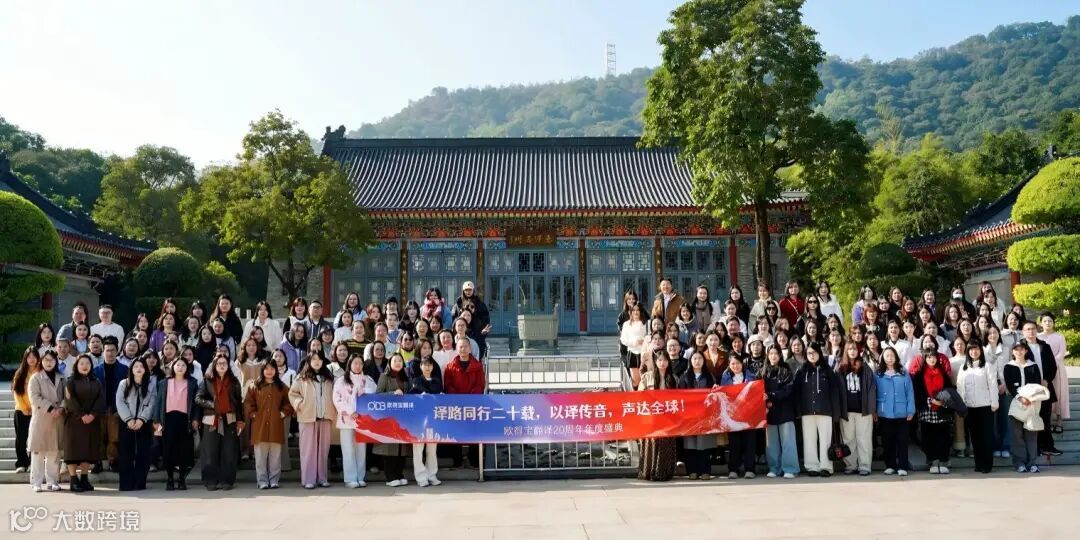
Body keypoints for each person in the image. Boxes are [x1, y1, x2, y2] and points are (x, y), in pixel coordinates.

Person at [196, 352, 244, 491]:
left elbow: (239, 403)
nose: (222, 366)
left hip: (229, 418)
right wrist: (213, 404)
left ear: (228, 366)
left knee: (228, 451)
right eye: (219, 363)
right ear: (214, 365)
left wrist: (240, 420)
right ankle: (210, 480)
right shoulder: (207, 381)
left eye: (224, 363)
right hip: (211, 419)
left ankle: (227, 480)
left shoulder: (234, 382)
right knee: (210, 451)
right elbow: (198, 398)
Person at [793, 343, 843, 477]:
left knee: (825, 440)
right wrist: (798, 410)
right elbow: (796, 392)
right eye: (809, 353)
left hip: (825, 410)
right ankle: (812, 467)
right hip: (807, 411)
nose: (812, 355)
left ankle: (826, 467)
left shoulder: (827, 370)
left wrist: (836, 413)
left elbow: (834, 392)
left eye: (814, 352)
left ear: (819, 354)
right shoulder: (801, 371)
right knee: (809, 439)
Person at [244, 361, 295, 489]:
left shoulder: (282, 387)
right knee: (260, 457)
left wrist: (282, 414)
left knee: (275, 456)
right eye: (266, 368)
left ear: (276, 370)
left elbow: (289, 403)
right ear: (262, 370)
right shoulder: (254, 386)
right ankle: (262, 481)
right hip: (259, 427)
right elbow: (248, 403)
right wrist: (254, 415)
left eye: (272, 368)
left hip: (276, 426)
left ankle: (274, 480)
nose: (269, 371)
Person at [289, 352, 335, 489]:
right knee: (308, 450)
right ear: (309, 361)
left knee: (323, 450)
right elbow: (292, 393)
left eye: (319, 359)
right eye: (314, 359)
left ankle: (322, 478)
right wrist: (300, 404)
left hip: (325, 417)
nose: (317, 361)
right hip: (307, 417)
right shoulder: (301, 378)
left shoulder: (329, 378)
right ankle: (308, 479)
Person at [153, 356, 198, 491]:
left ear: (187, 368)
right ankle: (170, 478)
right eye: (178, 365)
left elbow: (195, 404)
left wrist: (195, 419)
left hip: (185, 419)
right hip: (168, 419)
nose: (180, 367)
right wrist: (156, 420)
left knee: (184, 450)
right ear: (173, 366)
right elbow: (158, 402)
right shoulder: (164, 382)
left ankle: (182, 479)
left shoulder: (192, 383)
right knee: (168, 450)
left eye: (183, 365)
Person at [334, 354, 377, 488]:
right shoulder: (341, 380)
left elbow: (374, 397)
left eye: (360, 363)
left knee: (361, 449)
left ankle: (360, 477)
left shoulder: (368, 380)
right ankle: (350, 478)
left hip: (362, 421)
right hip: (346, 420)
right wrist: (350, 411)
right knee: (348, 449)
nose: (358, 366)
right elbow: (337, 398)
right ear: (350, 364)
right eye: (355, 363)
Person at [63, 354, 105, 492]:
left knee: (88, 450)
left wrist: (92, 414)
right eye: (81, 363)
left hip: (91, 421)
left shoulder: (96, 381)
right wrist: (81, 415)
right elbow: (70, 400)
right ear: (76, 365)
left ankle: (84, 479)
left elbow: (100, 398)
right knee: (73, 451)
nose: (85, 366)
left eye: (87, 363)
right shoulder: (71, 381)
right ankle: (73, 480)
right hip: (74, 421)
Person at [956, 342, 998, 473]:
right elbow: (960, 387)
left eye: (976, 349)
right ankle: (978, 464)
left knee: (986, 436)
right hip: (970, 407)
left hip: (985, 406)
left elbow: (993, 385)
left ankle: (987, 464)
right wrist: (961, 405)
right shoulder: (964, 368)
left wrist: (994, 402)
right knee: (975, 437)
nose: (974, 352)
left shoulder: (987, 366)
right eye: (971, 349)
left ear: (980, 351)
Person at [115, 357, 156, 491]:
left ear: (146, 369)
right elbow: (120, 402)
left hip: (143, 423)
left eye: (141, 366)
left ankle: (140, 482)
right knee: (126, 453)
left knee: (143, 452)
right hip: (126, 422)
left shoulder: (150, 385)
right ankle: (126, 483)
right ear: (131, 369)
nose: (139, 369)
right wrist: (128, 419)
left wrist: (142, 419)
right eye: (136, 366)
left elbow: (152, 403)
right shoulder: (123, 384)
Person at [443, 337, 485, 468]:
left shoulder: (477, 366)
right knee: (456, 433)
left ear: (470, 348)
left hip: (473, 405)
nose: (463, 349)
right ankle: (457, 460)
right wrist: (457, 398)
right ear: (456, 349)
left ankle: (474, 460)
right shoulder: (450, 366)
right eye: (460, 347)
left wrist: (470, 398)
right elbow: (448, 385)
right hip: (456, 405)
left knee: (473, 433)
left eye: (465, 346)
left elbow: (480, 384)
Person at [1021, 320, 1061, 455]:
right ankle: (1034, 448)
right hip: (1029, 390)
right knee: (1031, 419)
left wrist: (1047, 380)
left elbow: (1052, 366)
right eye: (1027, 329)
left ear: (1036, 330)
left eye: (1033, 328)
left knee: (1045, 418)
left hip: (1045, 387)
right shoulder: (1020, 347)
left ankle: (1048, 446)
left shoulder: (1044, 346)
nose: (1031, 331)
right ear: (1023, 332)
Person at [1002, 342, 1043, 472]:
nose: (1019, 352)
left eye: (1021, 349)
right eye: (1016, 349)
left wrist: (1030, 398)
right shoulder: (1008, 366)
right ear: (1012, 352)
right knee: (1016, 434)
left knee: (1031, 433)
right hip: (1015, 402)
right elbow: (1009, 385)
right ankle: (1019, 462)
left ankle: (1032, 463)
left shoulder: (1033, 366)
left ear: (1026, 351)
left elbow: (1037, 384)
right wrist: (1020, 397)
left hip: (1032, 402)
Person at [28, 351, 65, 492]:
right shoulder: (35, 378)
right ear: (41, 361)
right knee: (38, 452)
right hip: (41, 419)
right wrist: (50, 408)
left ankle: (52, 481)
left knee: (54, 453)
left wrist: (61, 408)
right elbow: (34, 397)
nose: (49, 362)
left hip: (57, 418)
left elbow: (67, 397)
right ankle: (36, 482)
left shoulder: (62, 378)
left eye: (52, 360)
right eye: (46, 360)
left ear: (56, 361)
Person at [837, 345, 877, 476]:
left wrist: (872, 409)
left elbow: (871, 389)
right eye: (849, 349)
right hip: (846, 411)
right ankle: (851, 465)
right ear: (846, 351)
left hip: (863, 411)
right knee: (848, 439)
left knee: (864, 439)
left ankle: (865, 465)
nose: (852, 351)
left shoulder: (865, 368)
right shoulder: (841, 368)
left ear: (859, 351)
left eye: (854, 349)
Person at [912, 350, 954, 474]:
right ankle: (933, 461)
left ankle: (943, 461)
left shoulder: (943, 373)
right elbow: (917, 393)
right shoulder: (919, 375)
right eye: (929, 357)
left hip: (942, 409)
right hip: (927, 408)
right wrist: (931, 401)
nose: (932, 359)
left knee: (943, 436)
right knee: (928, 436)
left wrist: (942, 402)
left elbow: (949, 390)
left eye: (934, 357)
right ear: (925, 359)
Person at [637, 353, 677, 481]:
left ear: (669, 362)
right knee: (651, 442)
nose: (662, 363)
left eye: (665, 360)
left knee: (665, 443)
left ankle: (663, 472)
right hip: (651, 415)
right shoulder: (647, 376)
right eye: (659, 360)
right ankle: (649, 471)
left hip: (668, 416)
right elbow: (639, 394)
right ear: (655, 362)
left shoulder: (673, 378)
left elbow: (679, 397)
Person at [677, 351, 717, 480]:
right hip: (689, 416)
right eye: (694, 358)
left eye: (700, 358)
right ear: (690, 361)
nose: (697, 361)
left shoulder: (709, 377)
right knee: (690, 445)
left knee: (704, 445)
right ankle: (692, 471)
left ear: (704, 361)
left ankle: (705, 471)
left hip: (705, 416)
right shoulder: (685, 377)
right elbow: (679, 396)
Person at [875, 347, 914, 476]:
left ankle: (902, 465)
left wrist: (910, 410)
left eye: (892, 355)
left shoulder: (903, 372)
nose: (890, 358)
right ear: (882, 358)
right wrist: (874, 411)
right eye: (887, 356)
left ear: (896, 357)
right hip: (884, 412)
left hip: (901, 412)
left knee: (902, 441)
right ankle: (890, 465)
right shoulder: (878, 374)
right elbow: (874, 393)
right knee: (888, 440)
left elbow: (909, 392)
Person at [761, 345, 798, 478]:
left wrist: (770, 396)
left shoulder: (786, 370)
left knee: (788, 442)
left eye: (776, 353)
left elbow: (788, 390)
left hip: (785, 410)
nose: (773, 356)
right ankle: (774, 468)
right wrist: (766, 402)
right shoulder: (763, 371)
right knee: (771, 443)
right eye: (771, 353)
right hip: (769, 412)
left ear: (780, 355)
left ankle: (790, 469)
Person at [375, 354, 412, 487]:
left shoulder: (406, 378)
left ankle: (399, 474)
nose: (397, 363)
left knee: (402, 448)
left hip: (404, 417)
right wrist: (392, 394)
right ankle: (390, 477)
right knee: (390, 448)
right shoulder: (384, 377)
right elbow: (378, 395)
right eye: (395, 360)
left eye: (400, 360)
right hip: (389, 418)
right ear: (389, 363)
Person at [92, 337, 127, 472]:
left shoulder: (124, 369)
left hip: (116, 408)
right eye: (107, 350)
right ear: (103, 351)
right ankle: (98, 462)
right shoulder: (96, 370)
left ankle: (113, 461)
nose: (110, 353)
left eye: (113, 350)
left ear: (117, 352)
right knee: (99, 436)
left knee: (114, 437)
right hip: (100, 407)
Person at [408, 356, 443, 487]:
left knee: (432, 449)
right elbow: (409, 399)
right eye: (425, 365)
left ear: (433, 367)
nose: (427, 367)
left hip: (433, 419)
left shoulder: (437, 382)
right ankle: (421, 477)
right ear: (421, 366)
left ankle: (432, 475)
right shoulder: (415, 381)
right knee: (418, 449)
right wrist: (419, 397)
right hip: (419, 420)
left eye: (430, 365)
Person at [721, 356, 757, 479]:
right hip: (733, 415)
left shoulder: (751, 376)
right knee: (734, 443)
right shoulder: (725, 378)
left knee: (749, 442)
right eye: (732, 364)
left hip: (749, 415)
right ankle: (733, 469)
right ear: (729, 365)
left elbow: (756, 393)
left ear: (742, 364)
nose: (735, 366)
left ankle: (749, 469)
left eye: (737, 363)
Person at [1037, 313, 1070, 435]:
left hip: (1058, 369)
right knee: (1046, 395)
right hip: (1042, 370)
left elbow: (1062, 353)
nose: (1047, 323)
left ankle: (1059, 421)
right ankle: (1048, 421)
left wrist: (1051, 362)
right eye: (1045, 321)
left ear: (1053, 323)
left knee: (1060, 394)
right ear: (1041, 323)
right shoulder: (1038, 337)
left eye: (1050, 321)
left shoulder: (1059, 336)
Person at [11, 347, 39, 474]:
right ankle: (21, 463)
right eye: (29, 357)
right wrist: (24, 408)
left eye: (34, 357)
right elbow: (16, 392)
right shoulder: (20, 373)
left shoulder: (41, 372)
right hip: (21, 411)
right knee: (21, 438)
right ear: (25, 358)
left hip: (37, 411)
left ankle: (32, 463)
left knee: (35, 438)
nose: (31, 359)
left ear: (37, 358)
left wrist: (35, 408)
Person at [453, 282, 492, 357]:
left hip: (476, 332)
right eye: (466, 290)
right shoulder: (458, 304)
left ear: (473, 290)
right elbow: (454, 320)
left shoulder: (480, 304)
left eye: (470, 290)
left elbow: (485, 320)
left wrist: (482, 332)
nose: (468, 292)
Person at [619, 306, 647, 390]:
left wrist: (644, 341)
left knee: (645, 380)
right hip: (632, 353)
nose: (636, 312)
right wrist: (634, 343)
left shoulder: (645, 323)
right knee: (636, 381)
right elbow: (623, 339)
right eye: (633, 310)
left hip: (644, 354)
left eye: (638, 310)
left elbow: (649, 336)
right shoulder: (626, 324)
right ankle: (636, 396)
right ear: (630, 312)